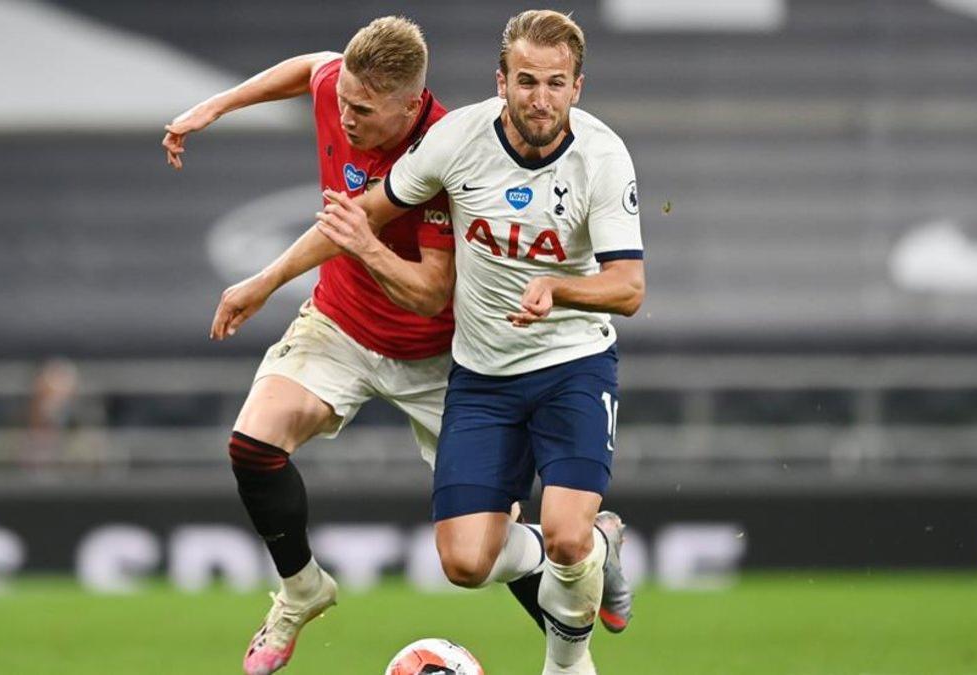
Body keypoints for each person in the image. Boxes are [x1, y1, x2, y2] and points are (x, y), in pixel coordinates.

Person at [163, 16, 630, 675]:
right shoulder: (339, 87)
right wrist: (213, 108)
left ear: (410, 105)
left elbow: (430, 294)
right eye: (344, 101)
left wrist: (361, 245)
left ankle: (582, 590)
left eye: (364, 109)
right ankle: (301, 591)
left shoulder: (444, 153)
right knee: (253, 444)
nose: (345, 117)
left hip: (437, 356)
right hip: (340, 324)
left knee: (489, 549)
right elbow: (309, 67)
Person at [314, 10, 644, 674]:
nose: (540, 99)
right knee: (465, 561)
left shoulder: (603, 156)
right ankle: (602, 548)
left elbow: (628, 287)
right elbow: (361, 214)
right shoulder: (458, 138)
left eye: (555, 83)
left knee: (566, 532)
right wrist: (261, 284)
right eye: (526, 81)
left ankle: (566, 663)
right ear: (502, 81)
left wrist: (560, 287)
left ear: (577, 86)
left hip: (572, 364)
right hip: (483, 374)